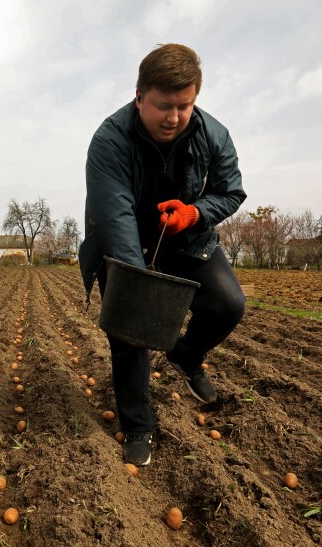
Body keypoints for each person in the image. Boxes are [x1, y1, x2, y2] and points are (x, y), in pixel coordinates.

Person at [79, 44, 246, 466]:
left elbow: (231, 192)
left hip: (185, 237)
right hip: (123, 243)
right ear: (139, 98)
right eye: (163, 106)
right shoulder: (109, 141)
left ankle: (187, 355)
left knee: (228, 304)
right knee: (130, 325)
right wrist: (138, 289)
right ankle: (138, 423)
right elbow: (114, 215)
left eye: (184, 106)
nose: (173, 117)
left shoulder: (213, 134)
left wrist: (194, 213)